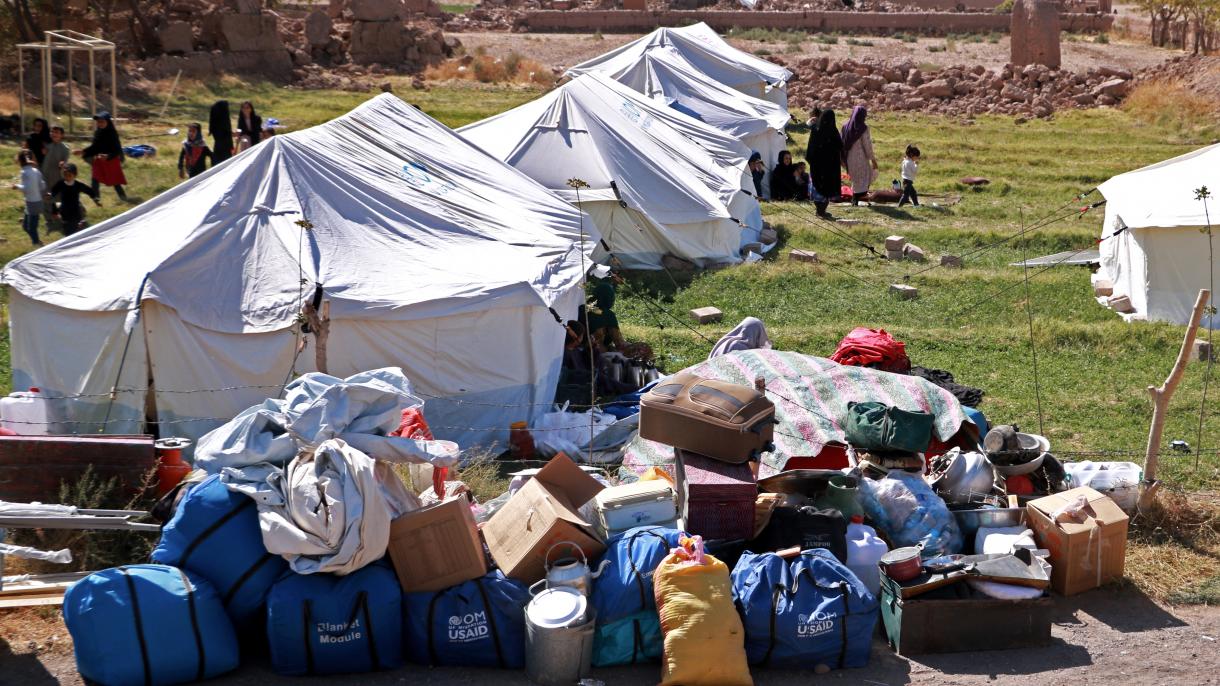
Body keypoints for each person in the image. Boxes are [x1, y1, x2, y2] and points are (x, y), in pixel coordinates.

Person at [77, 112, 127, 202]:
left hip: (111, 160)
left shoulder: (112, 133)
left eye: (102, 121)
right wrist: (83, 151)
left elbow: (117, 149)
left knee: (115, 181)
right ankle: (97, 200)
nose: (100, 124)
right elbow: (95, 147)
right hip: (100, 159)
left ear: (107, 122)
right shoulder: (98, 132)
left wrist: (108, 156)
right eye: (98, 122)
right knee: (95, 178)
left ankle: (123, 198)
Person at [805, 108, 843, 219]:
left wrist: (812, 160)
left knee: (819, 187)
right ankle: (821, 211)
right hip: (830, 168)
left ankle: (820, 211)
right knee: (826, 188)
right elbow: (840, 146)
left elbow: (810, 149)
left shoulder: (816, 130)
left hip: (818, 167)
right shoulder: (834, 131)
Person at [840, 106, 878, 206]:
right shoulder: (863, 128)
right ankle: (856, 198)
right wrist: (873, 159)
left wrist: (842, 159)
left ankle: (855, 199)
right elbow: (867, 146)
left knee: (856, 179)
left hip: (848, 159)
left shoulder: (845, 127)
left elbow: (841, 143)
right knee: (867, 175)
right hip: (860, 158)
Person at [50, 162, 100, 236]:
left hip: (76, 210)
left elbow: (89, 190)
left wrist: (96, 200)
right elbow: (53, 194)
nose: (67, 177)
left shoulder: (78, 185)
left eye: (69, 175)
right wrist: (54, 211)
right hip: (65, 211)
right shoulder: (61, 184)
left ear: (75, 175)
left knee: (78, 229)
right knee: (68, 230)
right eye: (65, 175)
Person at [12, 151, 46, 246]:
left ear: (20, 161)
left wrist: (17, 186)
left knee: (31, 228)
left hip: (32, 203)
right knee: (26, 227)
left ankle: (37, 245)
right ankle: (37, 242)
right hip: (36, 202)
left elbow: (27, 189)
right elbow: (42, 186)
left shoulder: (24, 172)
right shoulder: (36, 171)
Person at [41, 125, 71, 231]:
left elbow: (65, 160)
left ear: (62, 135)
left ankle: (75, 211)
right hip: (46, 175)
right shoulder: (48, 146)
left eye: (57, 132)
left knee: (61, 196)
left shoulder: (65, 148)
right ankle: (50, 219)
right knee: (47, 196)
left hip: (57, 176)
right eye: (52, 132)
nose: (54, 134)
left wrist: (63, 163)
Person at [586, 280, 626, 353]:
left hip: (579, 350)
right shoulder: (608, 314)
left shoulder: (586, 308)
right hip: (596, 353)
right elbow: (619, 342)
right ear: (608, 297)